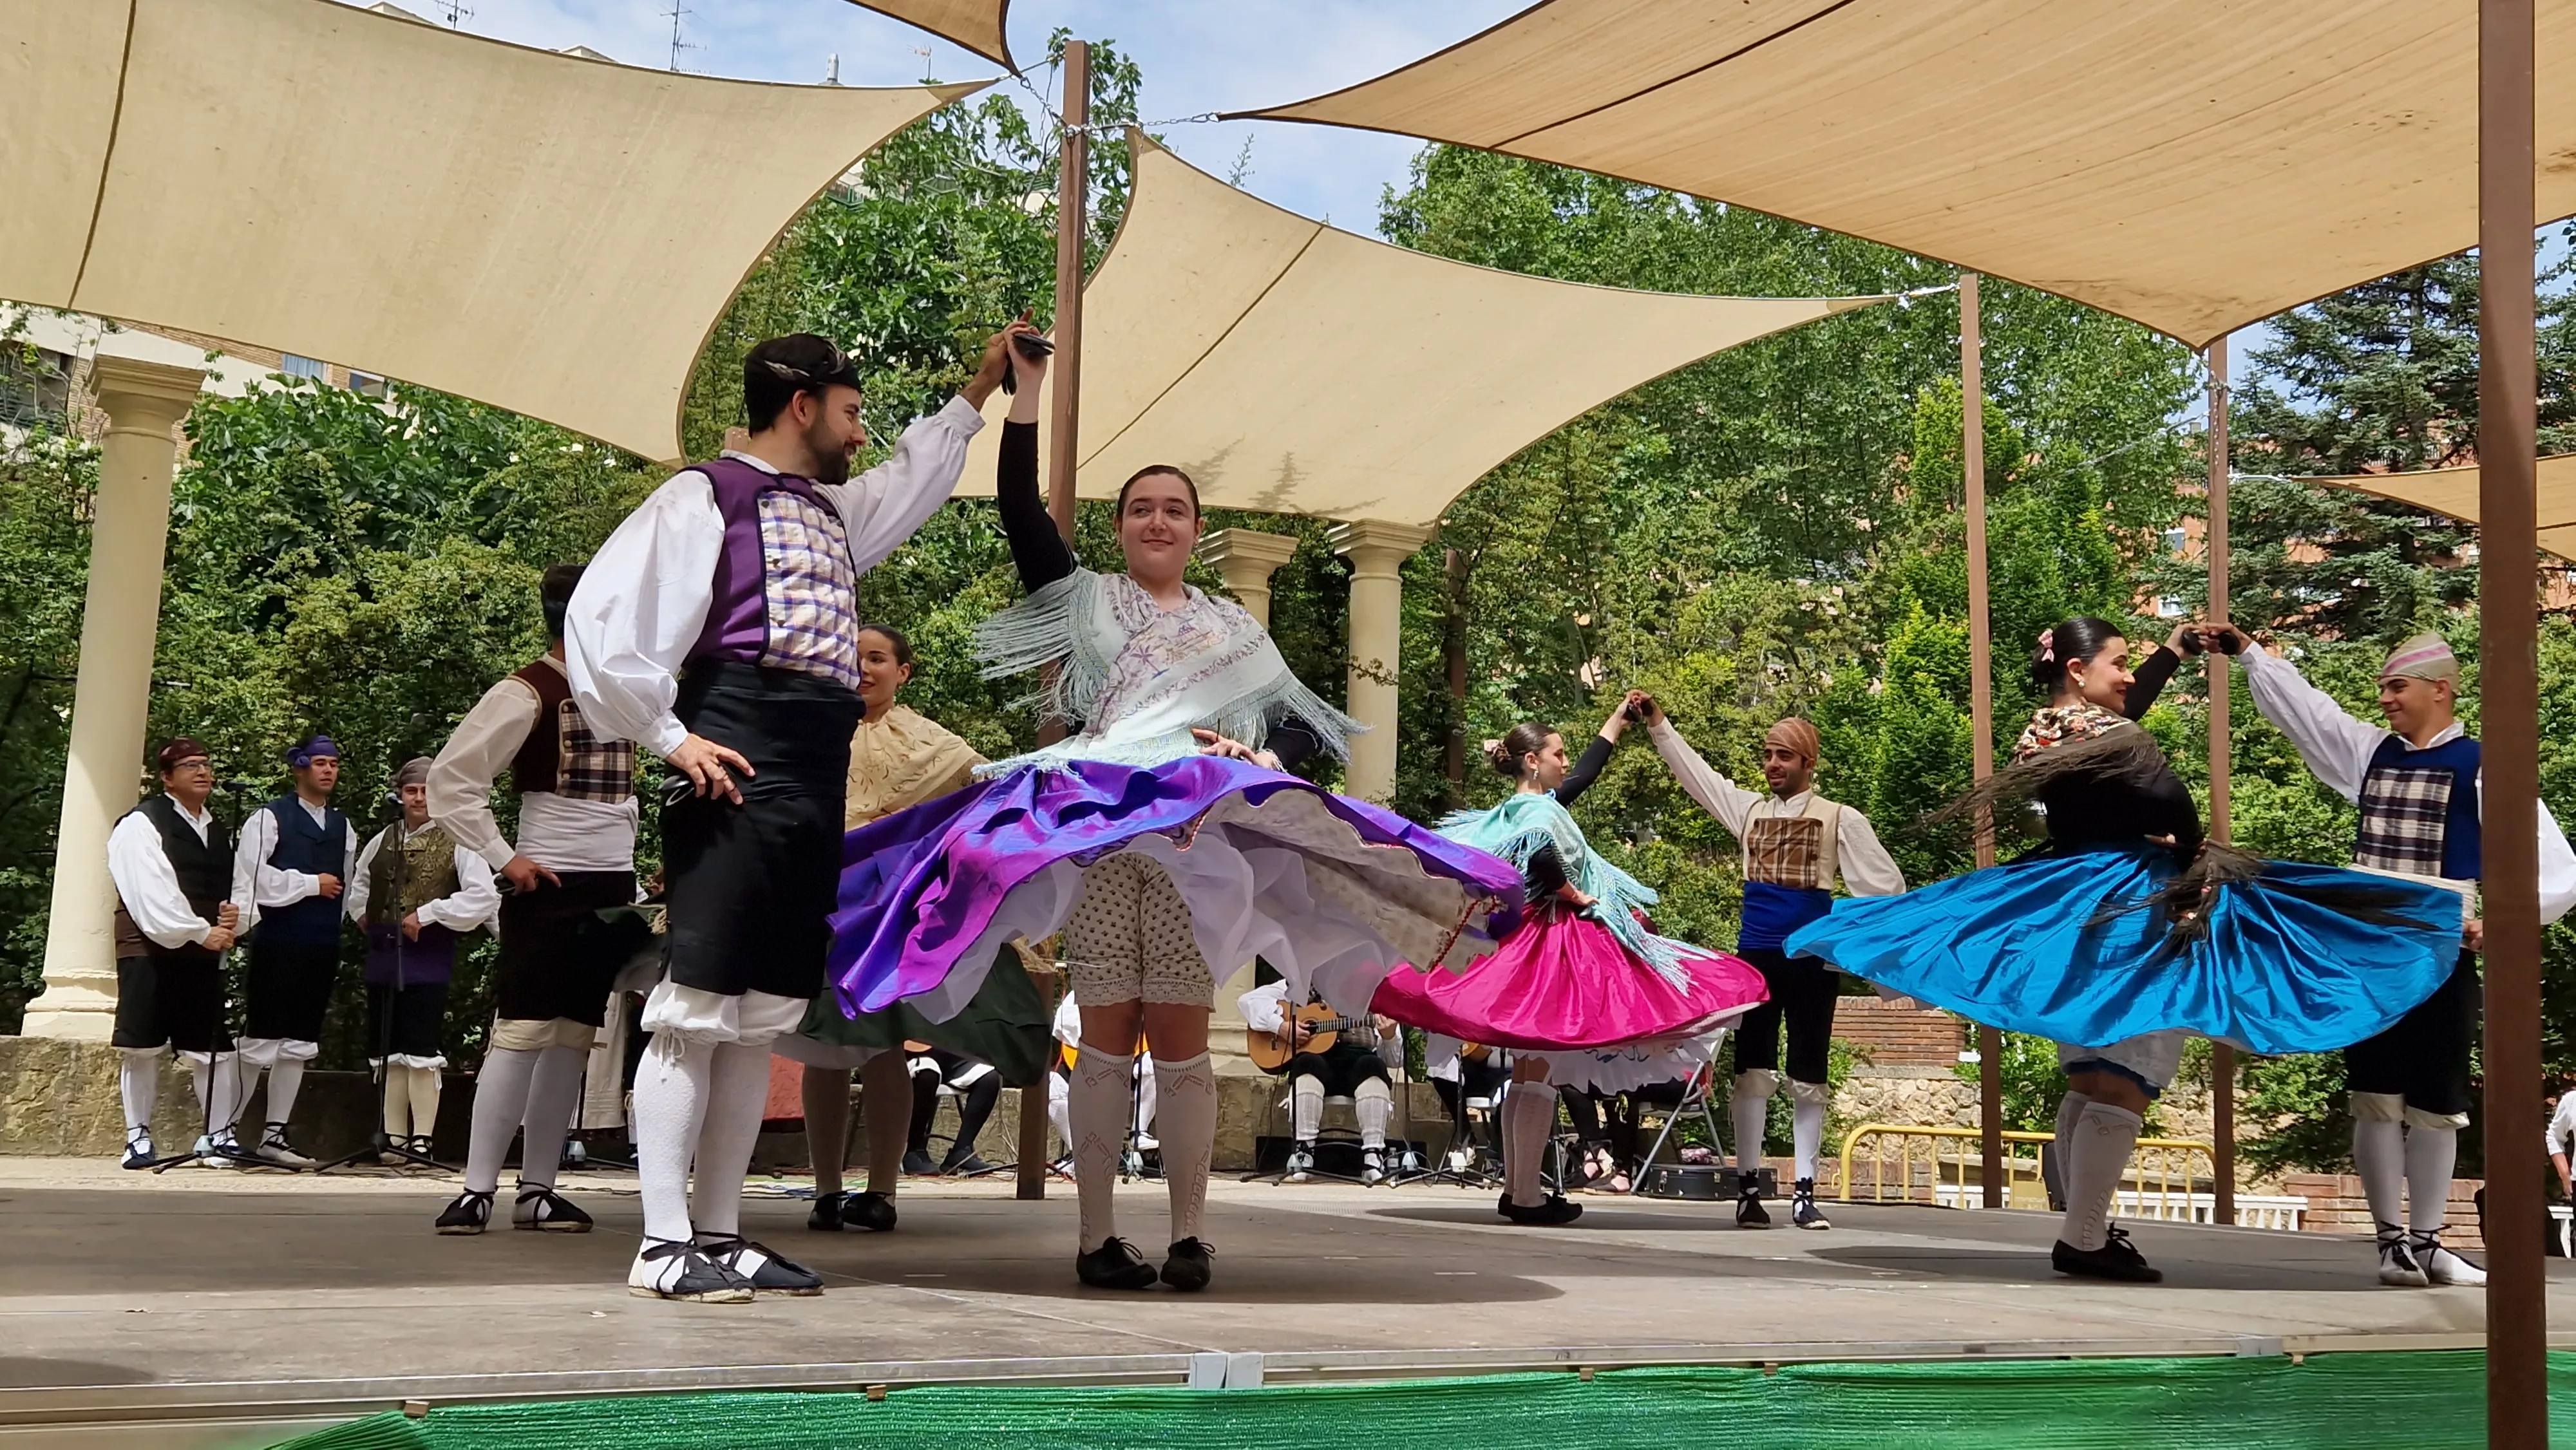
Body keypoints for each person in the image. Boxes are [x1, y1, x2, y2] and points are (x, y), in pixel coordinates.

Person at [826, 335, 1521, 1295]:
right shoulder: (1087, 602)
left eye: (1176, 508)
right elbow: (1023, 516)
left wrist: (1261, 756)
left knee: (1184, 1035)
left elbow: (1302, 733)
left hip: (1201, 850)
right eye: (1142, 507)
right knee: (1110, 1031)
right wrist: (1025, 395)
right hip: (1108, 842)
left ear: (1197, 528)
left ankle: (1191, 1234)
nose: (1159, 519)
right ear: (1122, 528)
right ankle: (1097, 1237)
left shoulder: (1236, 629)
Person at [1788, 617, 2467, 1285]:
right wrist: (2191, 851)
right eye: (2119, 662)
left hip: (2068, 900)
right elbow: (2170, 797)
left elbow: (2122, 712)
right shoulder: (2117, 737)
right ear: (2079, 672)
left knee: (2089, 1073)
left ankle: (2082, 1224)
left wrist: (2170, 656)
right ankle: (2083, 1234)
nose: (2128, 676)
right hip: (2130, 904)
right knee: (2129, 1067)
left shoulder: (2047, 728)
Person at [569, 328, 1017, 1303]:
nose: (864, 434)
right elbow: (606, 620)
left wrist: (983, 385)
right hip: (738, 752)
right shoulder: (706, 496)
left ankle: (722, 1235)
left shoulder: (830, 514)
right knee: (696, 1006)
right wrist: (669, 737)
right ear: (803, 405)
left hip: (814, 769)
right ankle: (660, 1244)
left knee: (757, 1017)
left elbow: (914, 479)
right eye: (852, 412)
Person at [2217, 625, 2576, 1287]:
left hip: (2438, 946)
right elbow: (2311, 715)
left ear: (2439, 689)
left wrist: (2494, 919)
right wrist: (2252, 657)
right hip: (2371, 948)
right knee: (2375, 1093)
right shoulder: (2370, 754)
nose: (2383, 698)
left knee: (2437, 1100)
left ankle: (2427, 1239)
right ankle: (2391, 1242)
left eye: (2395, 685)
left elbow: (2554, 863)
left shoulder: (2481, 765)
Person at [1372, 710, 1768, 1227]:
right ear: (1533, 762)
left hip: (1528, 938)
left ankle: (1520, 1191)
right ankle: (1525, 1196)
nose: (1566, 762)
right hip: (1549, 939)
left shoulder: (1523, 807)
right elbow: (1539, 859)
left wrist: (1618, 724)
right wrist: (1576, 894)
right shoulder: (1537, 815)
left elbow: (1584, 775)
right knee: (1539, 1067)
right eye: (1558, 753)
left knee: (1531, 1070)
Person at [771, 621, 1046, 1234]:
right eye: (855, 658)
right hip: (815, 899)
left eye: (877, 659)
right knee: (823, 1044)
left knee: (881, 1043)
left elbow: (991, 787)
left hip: (889, 910)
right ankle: (826, 1189)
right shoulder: (807, 729)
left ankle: (882, 1190)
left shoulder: (935, 745)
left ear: (904, 672)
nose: (865, 669)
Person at [1634, 695, 1906, 1230]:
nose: (1773, 765)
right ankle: (1748, 1190)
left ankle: (1805, 1191)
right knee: (1751, 1071)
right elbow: (1699, 777)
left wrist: (1858, 941)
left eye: (1784, 756)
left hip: (1810, 961)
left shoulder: (1839, 819)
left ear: (1809, 763)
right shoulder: (1750, 812)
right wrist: (1661, 726)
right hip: (1755, 960)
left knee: (1809, 1072)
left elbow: (1885, 887)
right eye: (1768, 755)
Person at [428, 563, 642, 1237]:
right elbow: (452, 779)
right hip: (548, 876)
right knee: (520, 1032)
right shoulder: (526, 692)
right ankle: (476, 1186)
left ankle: (539, 1186)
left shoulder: (624, 691)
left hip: (608, 880)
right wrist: (504, 856)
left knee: (574, 1037)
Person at [346, 758, 498, 1161]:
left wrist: (429, 915)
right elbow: (360, 884)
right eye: (412, 791)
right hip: (384, 953)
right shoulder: (384, 838)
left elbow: (482, 896)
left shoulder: (458, 839)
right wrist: (362, 914)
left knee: (420, 1047)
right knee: (388, 1048)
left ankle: (423, 1139)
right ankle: (394, 1139)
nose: (419, 798)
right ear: (401, 794)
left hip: (427, 955)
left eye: (427, 791)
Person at [109, 739, 248, 1169]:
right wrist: (196, 931)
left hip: (203, 946)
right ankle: (137, 1137)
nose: (202, 772)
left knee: (210, 1046)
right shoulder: (141, 823)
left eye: (205, 764)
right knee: (144, 1044)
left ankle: (218, 1134)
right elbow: (150, 891)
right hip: (150, 945)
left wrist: (231, 918)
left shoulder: (217, 829)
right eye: (190, 766)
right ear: (167, 778)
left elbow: (236, 885)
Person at [231, 735, 355, 1169]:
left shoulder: (343, 826)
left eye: (334, 764)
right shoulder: (269, 818)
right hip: (278, 940)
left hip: (320, 944)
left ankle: (274, 1134)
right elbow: (253, 879)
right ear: (300, 767)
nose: (328, 771)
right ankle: (225, 1132)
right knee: (261, 1037)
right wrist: (308, 884)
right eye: (320, 763)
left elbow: (349, 885)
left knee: (299, 1043)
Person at [1240, 980, 1401, 1183]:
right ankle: (1303, 1155)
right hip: (1319, 1065)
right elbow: (1248, 1001)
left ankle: (1373, 1158)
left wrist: (1389, 1037)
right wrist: (1280, 1026)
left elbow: (1394, 1060)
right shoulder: (1301, 984)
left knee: (1373, 1064)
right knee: (1307, 1062)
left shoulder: (1373, 996)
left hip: (1358, 1066)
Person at [905, 1049, 1004, 1176]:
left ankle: (961, 1152)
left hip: (949, 1055)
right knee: (928, 1074)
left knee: (990, 1078)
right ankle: (914, 1152)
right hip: (914, 1054)